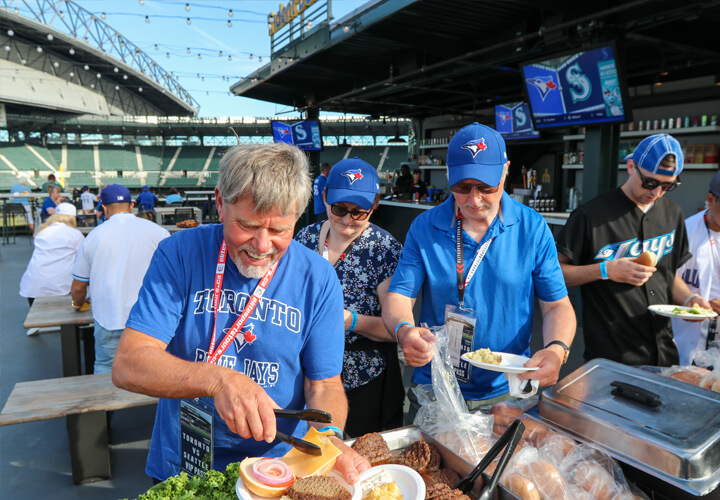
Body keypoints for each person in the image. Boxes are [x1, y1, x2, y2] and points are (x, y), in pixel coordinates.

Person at [111, 143, 369, 483]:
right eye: (246, 225)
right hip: (185, 461)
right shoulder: (179, 254)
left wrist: (330, 438)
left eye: (278, 230)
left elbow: (324, 384)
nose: (261, 246)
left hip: (279, 468)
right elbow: (129, 363)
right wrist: (218, 380)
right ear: (220, 203)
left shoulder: (317, 279)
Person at [382, 123, 575, 415]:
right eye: (462, 187)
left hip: (510, 388)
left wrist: (557, 349)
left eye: (486, 187)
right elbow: (399, 295)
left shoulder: (532, 228)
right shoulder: (424, 227)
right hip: (437, 388)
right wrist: (403, 330)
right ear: (449, 174)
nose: (474, 200)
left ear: (505, 170)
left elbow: (556, 306)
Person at [556, 133, 711, 366]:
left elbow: (668, 276)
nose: (656, 192)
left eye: (668, 185)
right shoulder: (591, 215)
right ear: (631, 167)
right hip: (611, 353)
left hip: (664, 349)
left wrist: (690, 298)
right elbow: (555, 273)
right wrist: (605, 270)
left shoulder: (673, 212)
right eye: (649, 182)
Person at [295, 158, 405, 437]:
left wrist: (351, 320)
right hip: (308, 371)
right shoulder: (305, 239)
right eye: (339, 209)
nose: (346, 219)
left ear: (374, 206)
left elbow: (395, 327)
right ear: (324, 198)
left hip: (363, 376)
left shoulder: (384, 248)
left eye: (359, 213)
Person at [71, 184, 169, 374]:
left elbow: (78, 287)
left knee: (106, 367)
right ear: (132, 205)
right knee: (154, 370)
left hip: (109, 318)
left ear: (104, 207)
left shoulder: (94, 236)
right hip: (151, 318)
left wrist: (77, 305)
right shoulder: (159, 232)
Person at [673, 170, 720, 365]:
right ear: (710, 200)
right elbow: (665, 278)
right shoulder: (684, 232)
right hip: (687, 343)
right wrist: (690, 299)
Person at [19, 203, 84, 336]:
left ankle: (37, 320)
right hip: (61, 287)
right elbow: (82, 261)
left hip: (32, 283)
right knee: (82, 283)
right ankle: (77, 325)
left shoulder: (41, 231)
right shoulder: (75, 234)